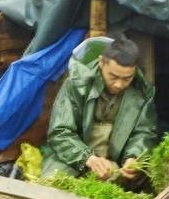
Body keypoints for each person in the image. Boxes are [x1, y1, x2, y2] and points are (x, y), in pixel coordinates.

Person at [42, 36, 156, 181]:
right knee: (53, 185)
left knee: (137, 185)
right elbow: (60, 132)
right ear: (101, 62)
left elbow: (144, 132)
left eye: (127, 79)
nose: (119, 85)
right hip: (72, 158)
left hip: (114, 163)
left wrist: (133, 157)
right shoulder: (77, 84)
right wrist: (87, 158)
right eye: (113, 77)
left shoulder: (143, 91)